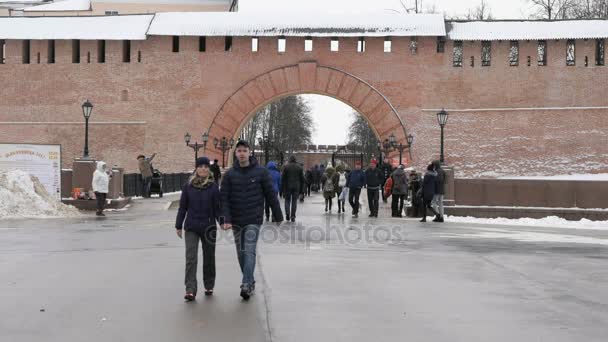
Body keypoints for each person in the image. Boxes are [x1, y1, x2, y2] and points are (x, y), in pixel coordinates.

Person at [221, 140, 283, 300]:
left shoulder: (261, 172)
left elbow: (270, 194)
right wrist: (225, 219)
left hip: (253, 218)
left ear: (249, 153)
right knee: (241, 253)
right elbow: (224, 199)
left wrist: (278, 215)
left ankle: (246, 284)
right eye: (239, 151)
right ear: (236, 154)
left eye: (244, 150)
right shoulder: (229, 175)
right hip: (235, 219)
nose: (242, 153)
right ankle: (250, 280)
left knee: (249, 250)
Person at [175, 157, 220, 301]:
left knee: (209, 258)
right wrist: (178, 225)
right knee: (191, 258)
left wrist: (224, 222)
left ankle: (209, 285)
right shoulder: (188, 186)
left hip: (209, 227)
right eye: (200, 166)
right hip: (191, 227)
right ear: (196, 169)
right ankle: (190, 289)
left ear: (209, 169)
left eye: (206, 166)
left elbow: (218, 208)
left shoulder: (213, 187)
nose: (204, 169)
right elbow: (183, 207)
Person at [281, 155, 305, 222]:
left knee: (287, 200)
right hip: (296, 187)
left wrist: (282, 189)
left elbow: (283, 179)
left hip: (287, 186)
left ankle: (287, 213)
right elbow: (302, 179)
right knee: (294, 202)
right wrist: (302, 190)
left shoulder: (286, 167)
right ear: (295, 160)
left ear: (290, 160)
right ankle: (293, 216)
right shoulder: (299, 167)